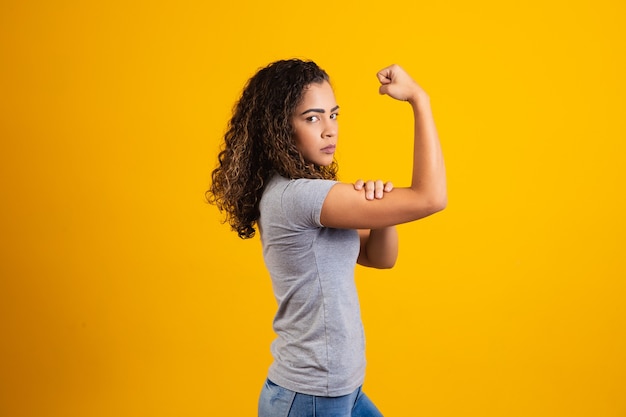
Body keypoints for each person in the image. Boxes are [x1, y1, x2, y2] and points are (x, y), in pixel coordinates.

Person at [207, 58, 446, 417]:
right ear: (279, 128)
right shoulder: (298, 196)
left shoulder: (308, 191)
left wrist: (384, 213)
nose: (329, 129)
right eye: (312, 118)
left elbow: (380, 258)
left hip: (337, 391)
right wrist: (419, 99)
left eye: (333, 115)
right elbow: (432, 198)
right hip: (311, 398)